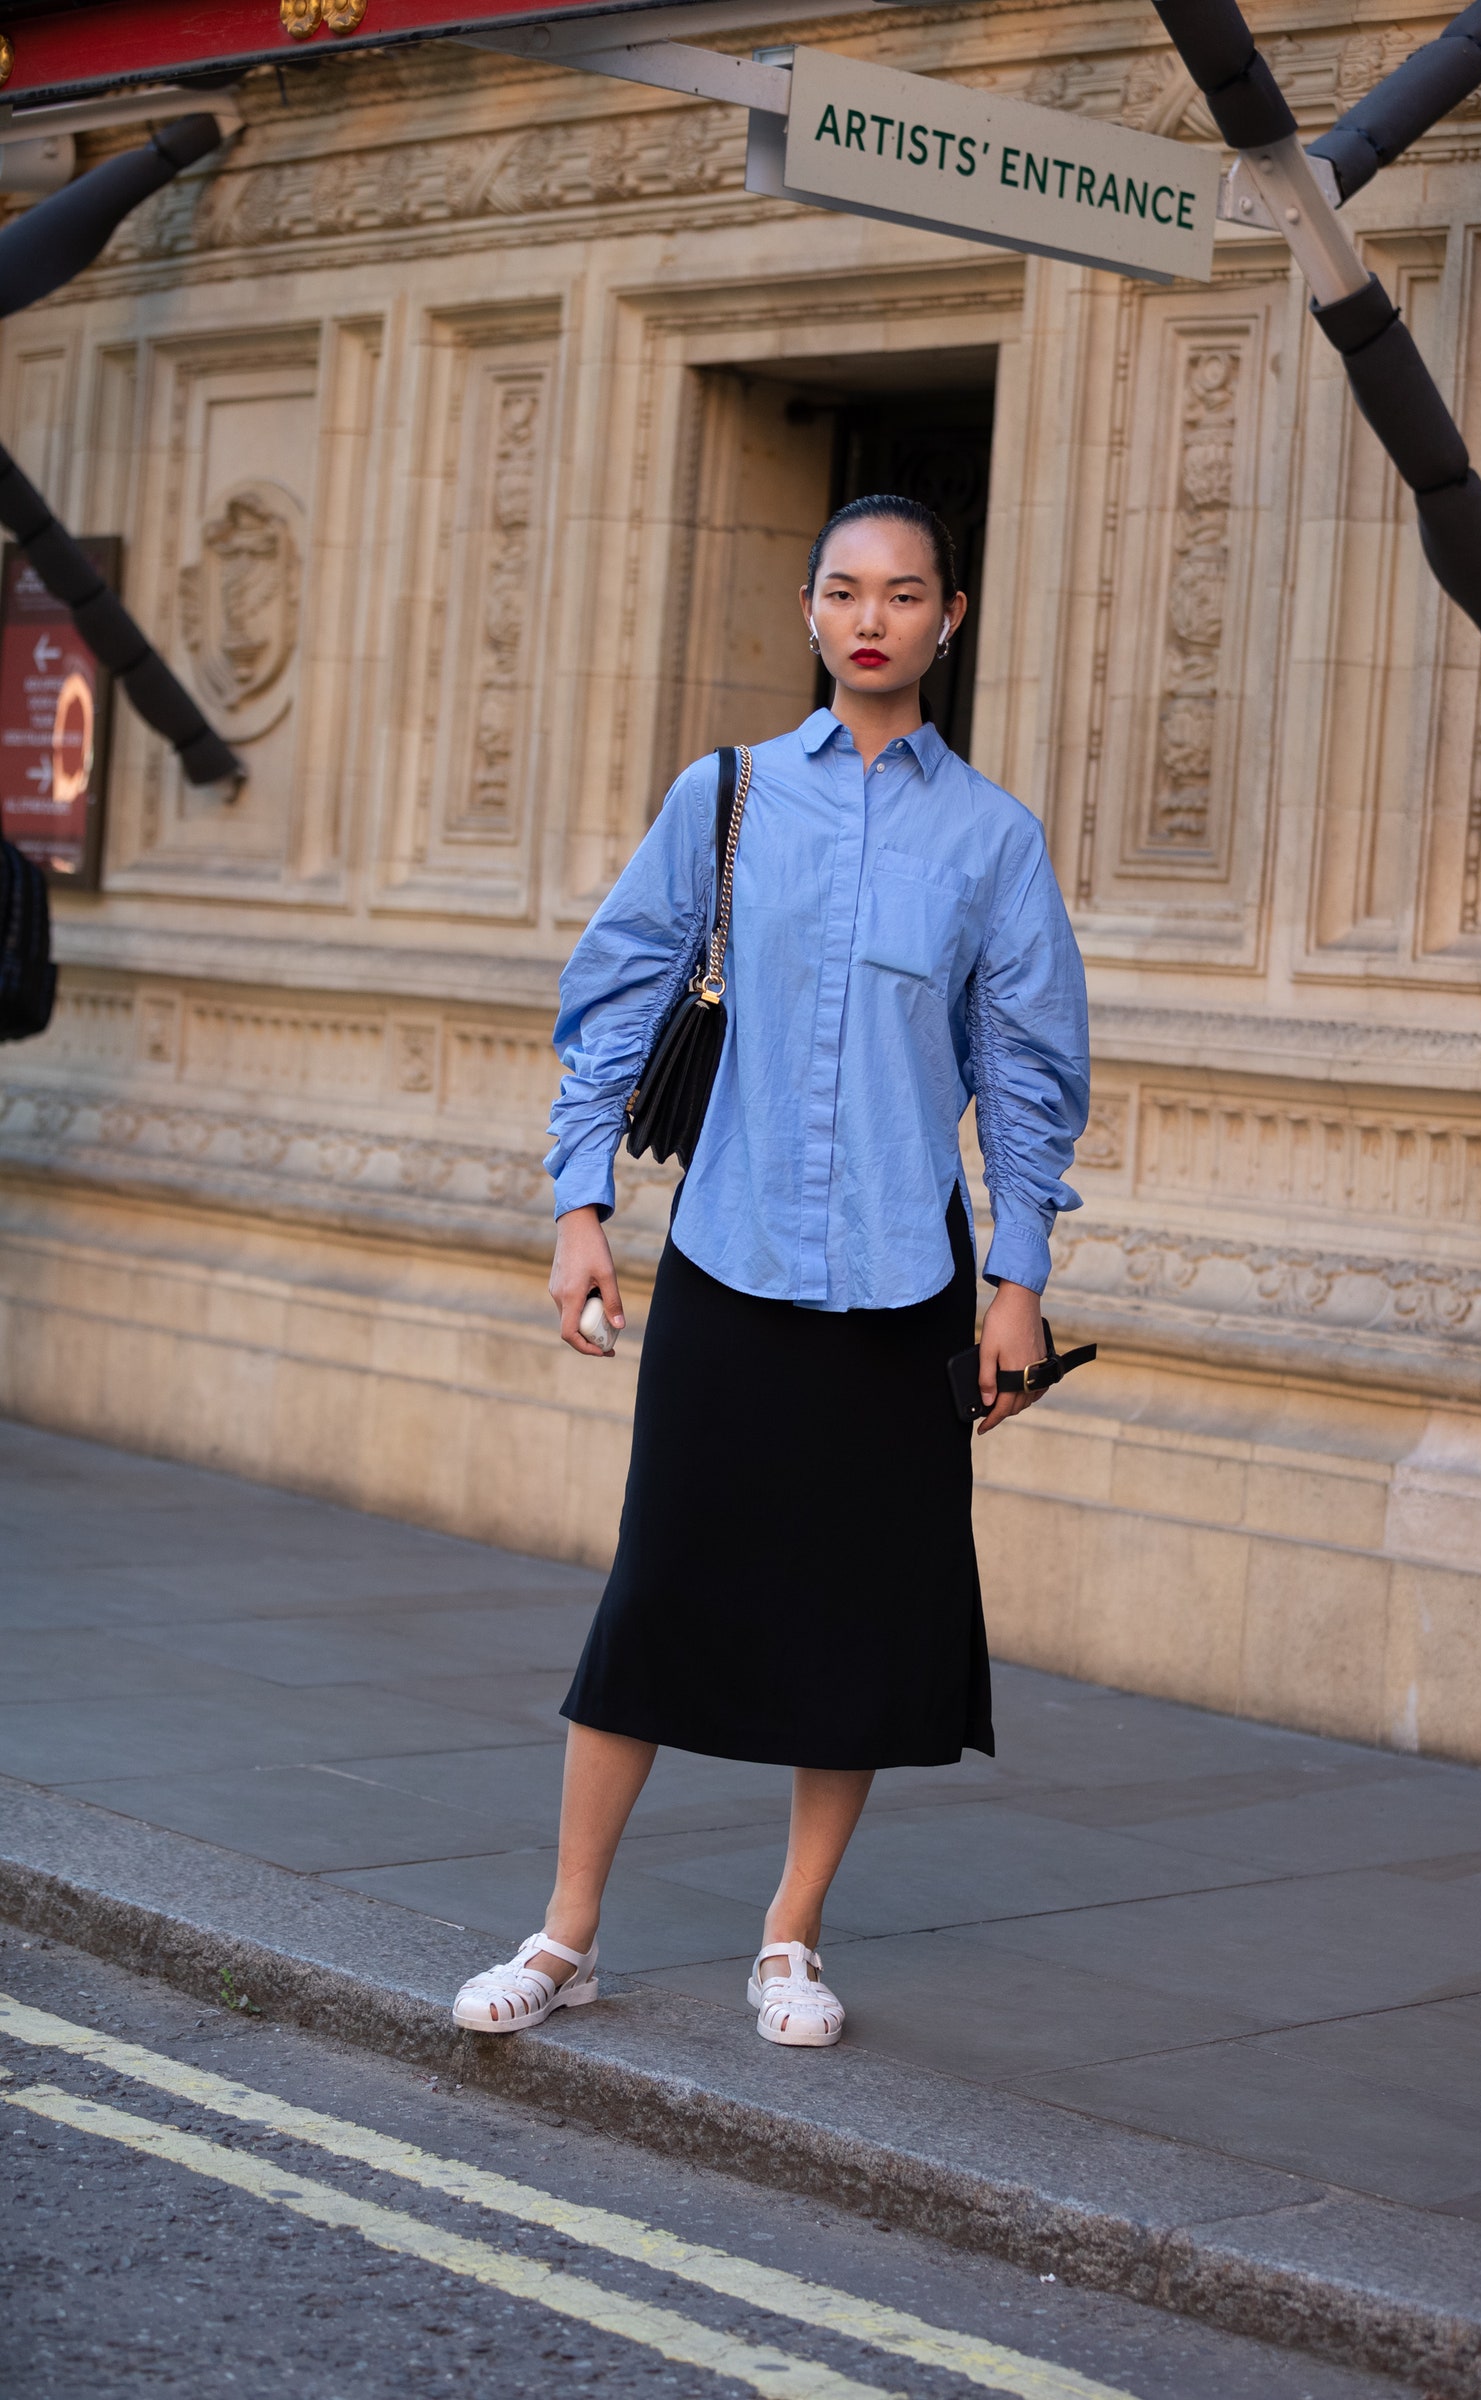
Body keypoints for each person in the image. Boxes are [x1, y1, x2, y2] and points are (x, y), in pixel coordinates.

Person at [452, 493, 1089, 2049]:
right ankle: (568, 1934)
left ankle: (790, 1937)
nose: (872, 618)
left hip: (901, 1284)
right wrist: (575, 1206)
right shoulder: (724, 797)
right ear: (810, 615)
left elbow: (1024, 1074)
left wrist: (1020, 1277)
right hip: (732, 1262)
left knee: (861, 1615)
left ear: (953, 618)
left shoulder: (992, 840)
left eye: (906, 593)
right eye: (844, 592)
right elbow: (617, 995)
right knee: (659, 1589)